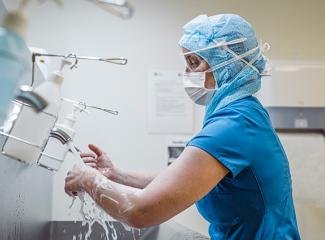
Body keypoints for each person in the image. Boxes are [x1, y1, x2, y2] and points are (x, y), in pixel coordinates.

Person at [65, 14, 301, 239]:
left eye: (194, 62)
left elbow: (140, 211)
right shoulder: (244, 112)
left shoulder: (232, 126)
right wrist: (117, 175)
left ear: (225, 65)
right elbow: (183, 178)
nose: (186, 73)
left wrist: (88, 178)